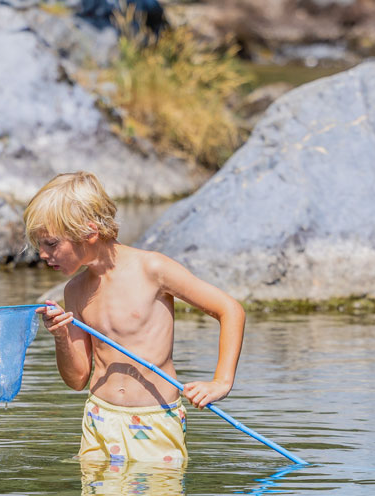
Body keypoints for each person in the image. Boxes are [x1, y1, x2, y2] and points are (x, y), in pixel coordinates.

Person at [28, 172, 245, 466]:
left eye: (51, 244)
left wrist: (221, 382)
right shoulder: (75, 290)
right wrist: (61, 337)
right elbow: (77, 379)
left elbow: (229, 309)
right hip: (99, 420)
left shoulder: (152, 268)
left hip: (155, 420)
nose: (42, 254)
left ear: (89, 231)